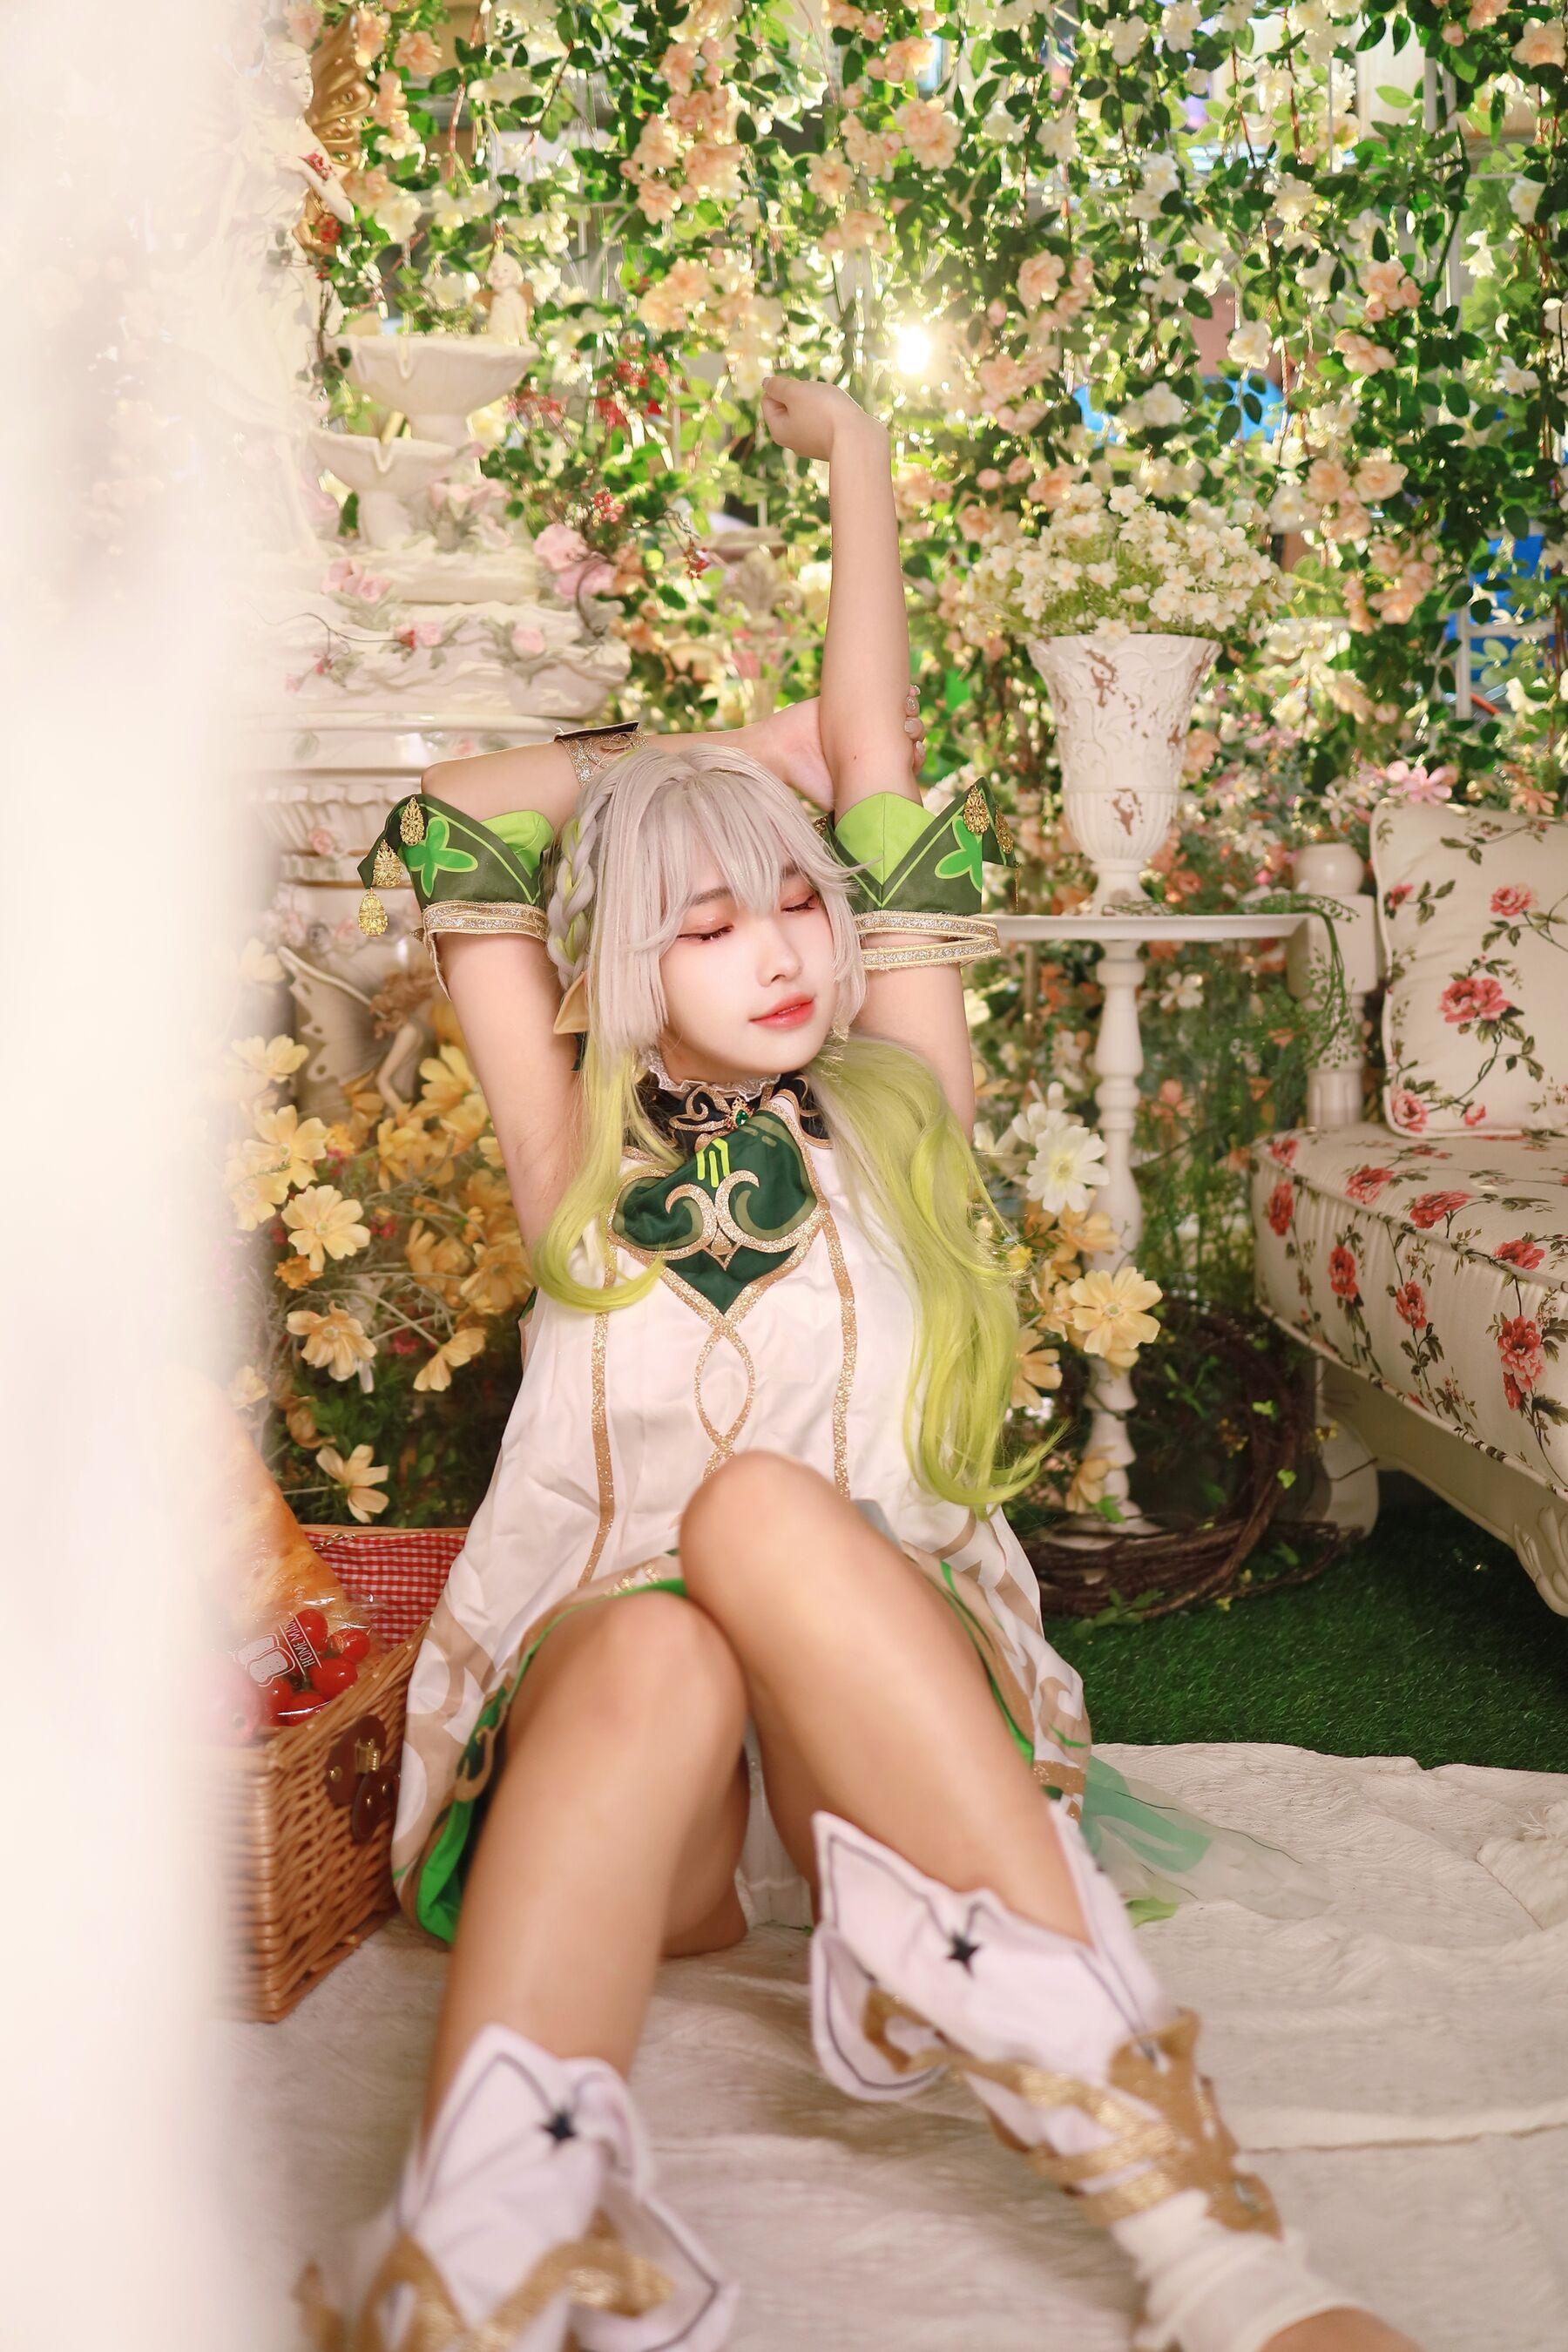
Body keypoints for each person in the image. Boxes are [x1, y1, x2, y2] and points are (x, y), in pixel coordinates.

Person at [297, 379, 1419, 2352]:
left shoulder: (899, 1097)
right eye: (708, 922)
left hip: (879, 1704)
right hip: (634, 1742)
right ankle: (483, 2268)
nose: (785, 948)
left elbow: (876, 757)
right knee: (660, 1639)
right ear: (616, 970)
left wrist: (865, 477)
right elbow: (457, 806)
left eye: (802, 895)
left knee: (756, 1515)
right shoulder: (574, 1148)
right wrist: (722, 764)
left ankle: (1207, 2251)